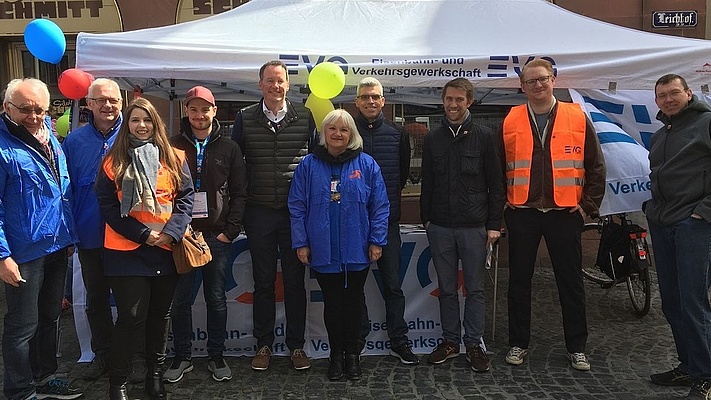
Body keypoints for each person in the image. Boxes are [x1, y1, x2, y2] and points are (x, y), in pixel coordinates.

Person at [501, 59, 605, 371]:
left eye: (542, 79)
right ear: (522, 86)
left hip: (564, 213)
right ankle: (518, 343)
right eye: (530, 81)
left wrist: (587, 206)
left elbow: (596, 165)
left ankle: (577, 347)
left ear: (553, 80)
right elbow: (497, 165)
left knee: (570, 283)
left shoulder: (576, 115)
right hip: (523, 213)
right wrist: (504, 205)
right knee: (518, 282)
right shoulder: (511, 118)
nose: (537, 85)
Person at [95, 97, 194, 400]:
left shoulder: (175, 157)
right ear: (128, 124)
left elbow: (186, 198)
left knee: (160, 316)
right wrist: (143, 234)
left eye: (147, 120)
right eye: (135, 120)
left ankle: (155, 376)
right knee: (131, 317)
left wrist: (170, 233)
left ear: (156, 124)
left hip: (166, 248)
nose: (142, 126)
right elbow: (108, 207)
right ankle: (118, 382)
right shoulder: (114, 160)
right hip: (126, 250)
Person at [289, 109, 389, 380]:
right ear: (324, 133)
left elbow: (379, 206)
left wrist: (376, 240)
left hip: (357, 248)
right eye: (332, 129)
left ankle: (353, 356)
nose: (337, 134)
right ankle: (336, 356)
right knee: (332, 305)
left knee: (354, 304)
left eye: (344, 130)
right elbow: (297, 206)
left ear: (351, 135)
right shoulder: (308, 165)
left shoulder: (366, 165)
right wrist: (301, 242)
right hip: (322, 248)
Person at [0, 78, 82, 399]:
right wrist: (2, 255)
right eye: (25, 109)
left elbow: (61, 190)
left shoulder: (50, 138)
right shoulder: (4, 145)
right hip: (23, 252)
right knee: (22, 326)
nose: (33, 115)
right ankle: (20, 390)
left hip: (57, 245)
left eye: (39, 109)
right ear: (7, 108)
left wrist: (70, 233)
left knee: (49, 318)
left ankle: (45, 377)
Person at [231, 60, 315, 371]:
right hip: (259, 213)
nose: (275, 86)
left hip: (295, 215)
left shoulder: (304, 116)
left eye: (280, 81)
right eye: (270, 81)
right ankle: (263, 344)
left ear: (288, 85)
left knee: (295, 282)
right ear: (260, 85)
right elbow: (234, 165)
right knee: (263, 282)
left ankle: (296, 346)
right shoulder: (244, 117)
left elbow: (315, 162)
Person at [420, 77, 505, 372]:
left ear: (469, 101)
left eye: (459, 100)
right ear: (443, 101)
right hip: (440, 226)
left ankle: (473, 343)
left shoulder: (484, 136)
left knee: (474, 289)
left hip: (474, 227)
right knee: (445, 288)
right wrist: (426, 220)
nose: (453, 105)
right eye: (448, 99)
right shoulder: (432, 138)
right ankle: (450, 341)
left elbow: (497, 183)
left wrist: (494, 223)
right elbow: (427, 183)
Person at [165, 86, 247, 383]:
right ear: (187, 111)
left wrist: (230, 231)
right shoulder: (171, 145)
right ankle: (183, 356)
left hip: (216, 238)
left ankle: (216, 355)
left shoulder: (229, 147)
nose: (200, 115)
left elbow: (239, 192)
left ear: (214, 111)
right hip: (182, 237)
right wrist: (173, 230)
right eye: (194, 109)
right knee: (181, 300)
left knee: (216, 299)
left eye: (205, 109)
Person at [646, 74, 711, 399]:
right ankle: (688, 366)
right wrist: (651, 208)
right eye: (662, 95)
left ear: (688, 93)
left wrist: (703, 212)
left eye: (674, 93)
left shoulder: (707, 123)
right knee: (671, 302)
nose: (668, 99)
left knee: (693, 302)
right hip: (662, 223)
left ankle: (706, 376)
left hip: (693, 225)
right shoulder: (660, 135)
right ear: (656, 101)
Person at [352, 77, 417, 364]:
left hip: (387, 223)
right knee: (355, 287)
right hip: (354, 224)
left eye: (375, 97)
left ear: (383, 101)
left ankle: (398, 340)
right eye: (365, 97)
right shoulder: (346, 131)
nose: (370, 101)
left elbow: (401, 175)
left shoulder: (397, 133)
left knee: (393, 286)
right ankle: (358, 337)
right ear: (357, 102)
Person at [63, 78, 123, 381]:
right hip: (89, 236)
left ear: (121, 103)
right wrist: (70, 232)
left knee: (130, 303)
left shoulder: (134, 133)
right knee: (97, 299)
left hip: (129, 237)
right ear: (89, 104)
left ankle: (128, 357)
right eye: (101, 100)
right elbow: (66, 190)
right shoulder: (73, 142)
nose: (108, 105)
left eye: (113, 99)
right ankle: (102, 354)